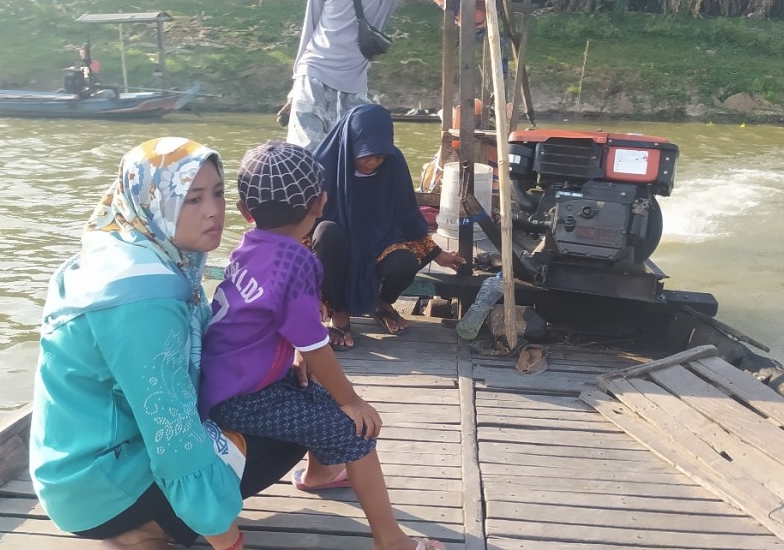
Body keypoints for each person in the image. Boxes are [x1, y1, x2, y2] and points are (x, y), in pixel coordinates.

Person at [29, 137, 306, 550]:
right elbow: (171, 431)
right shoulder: (142, 298)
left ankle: (163, 516)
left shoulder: (126, 250)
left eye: (217, 193)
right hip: (96, 489)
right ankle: (147, 529)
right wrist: (225, 536)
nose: (214, 210)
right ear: (154, 202)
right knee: (291, 428)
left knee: (283, 398)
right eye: (191, 199)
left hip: (76, 467)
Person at [199, 140, 443, 550]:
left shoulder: (248, 246)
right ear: (321, 203)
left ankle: (320, 475)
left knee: (312, 387)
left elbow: (273, 321)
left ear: (245, 211)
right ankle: (391, 540)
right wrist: (353, 401)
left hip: (225, 381)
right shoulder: (298, 262)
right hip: (243, 397)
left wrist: (300, 359)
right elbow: (315, 345)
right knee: (355, 431)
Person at [285, 0, 460, 151]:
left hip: (354, 83)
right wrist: (296, 85)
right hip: (314, 74)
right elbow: (310, 28)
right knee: (305, 154)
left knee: (351, 155)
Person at [312, 104, 467, 349]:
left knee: (404, 261)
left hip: (378, 244)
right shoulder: (321, 166)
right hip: (335, 249)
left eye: (380, 155)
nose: (374, 162)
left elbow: (407, 217)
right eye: (366, 155)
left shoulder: (393, 165)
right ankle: (339, 311)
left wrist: (438, 255)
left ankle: (382, 302)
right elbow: (303, 222)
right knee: (326, 233)